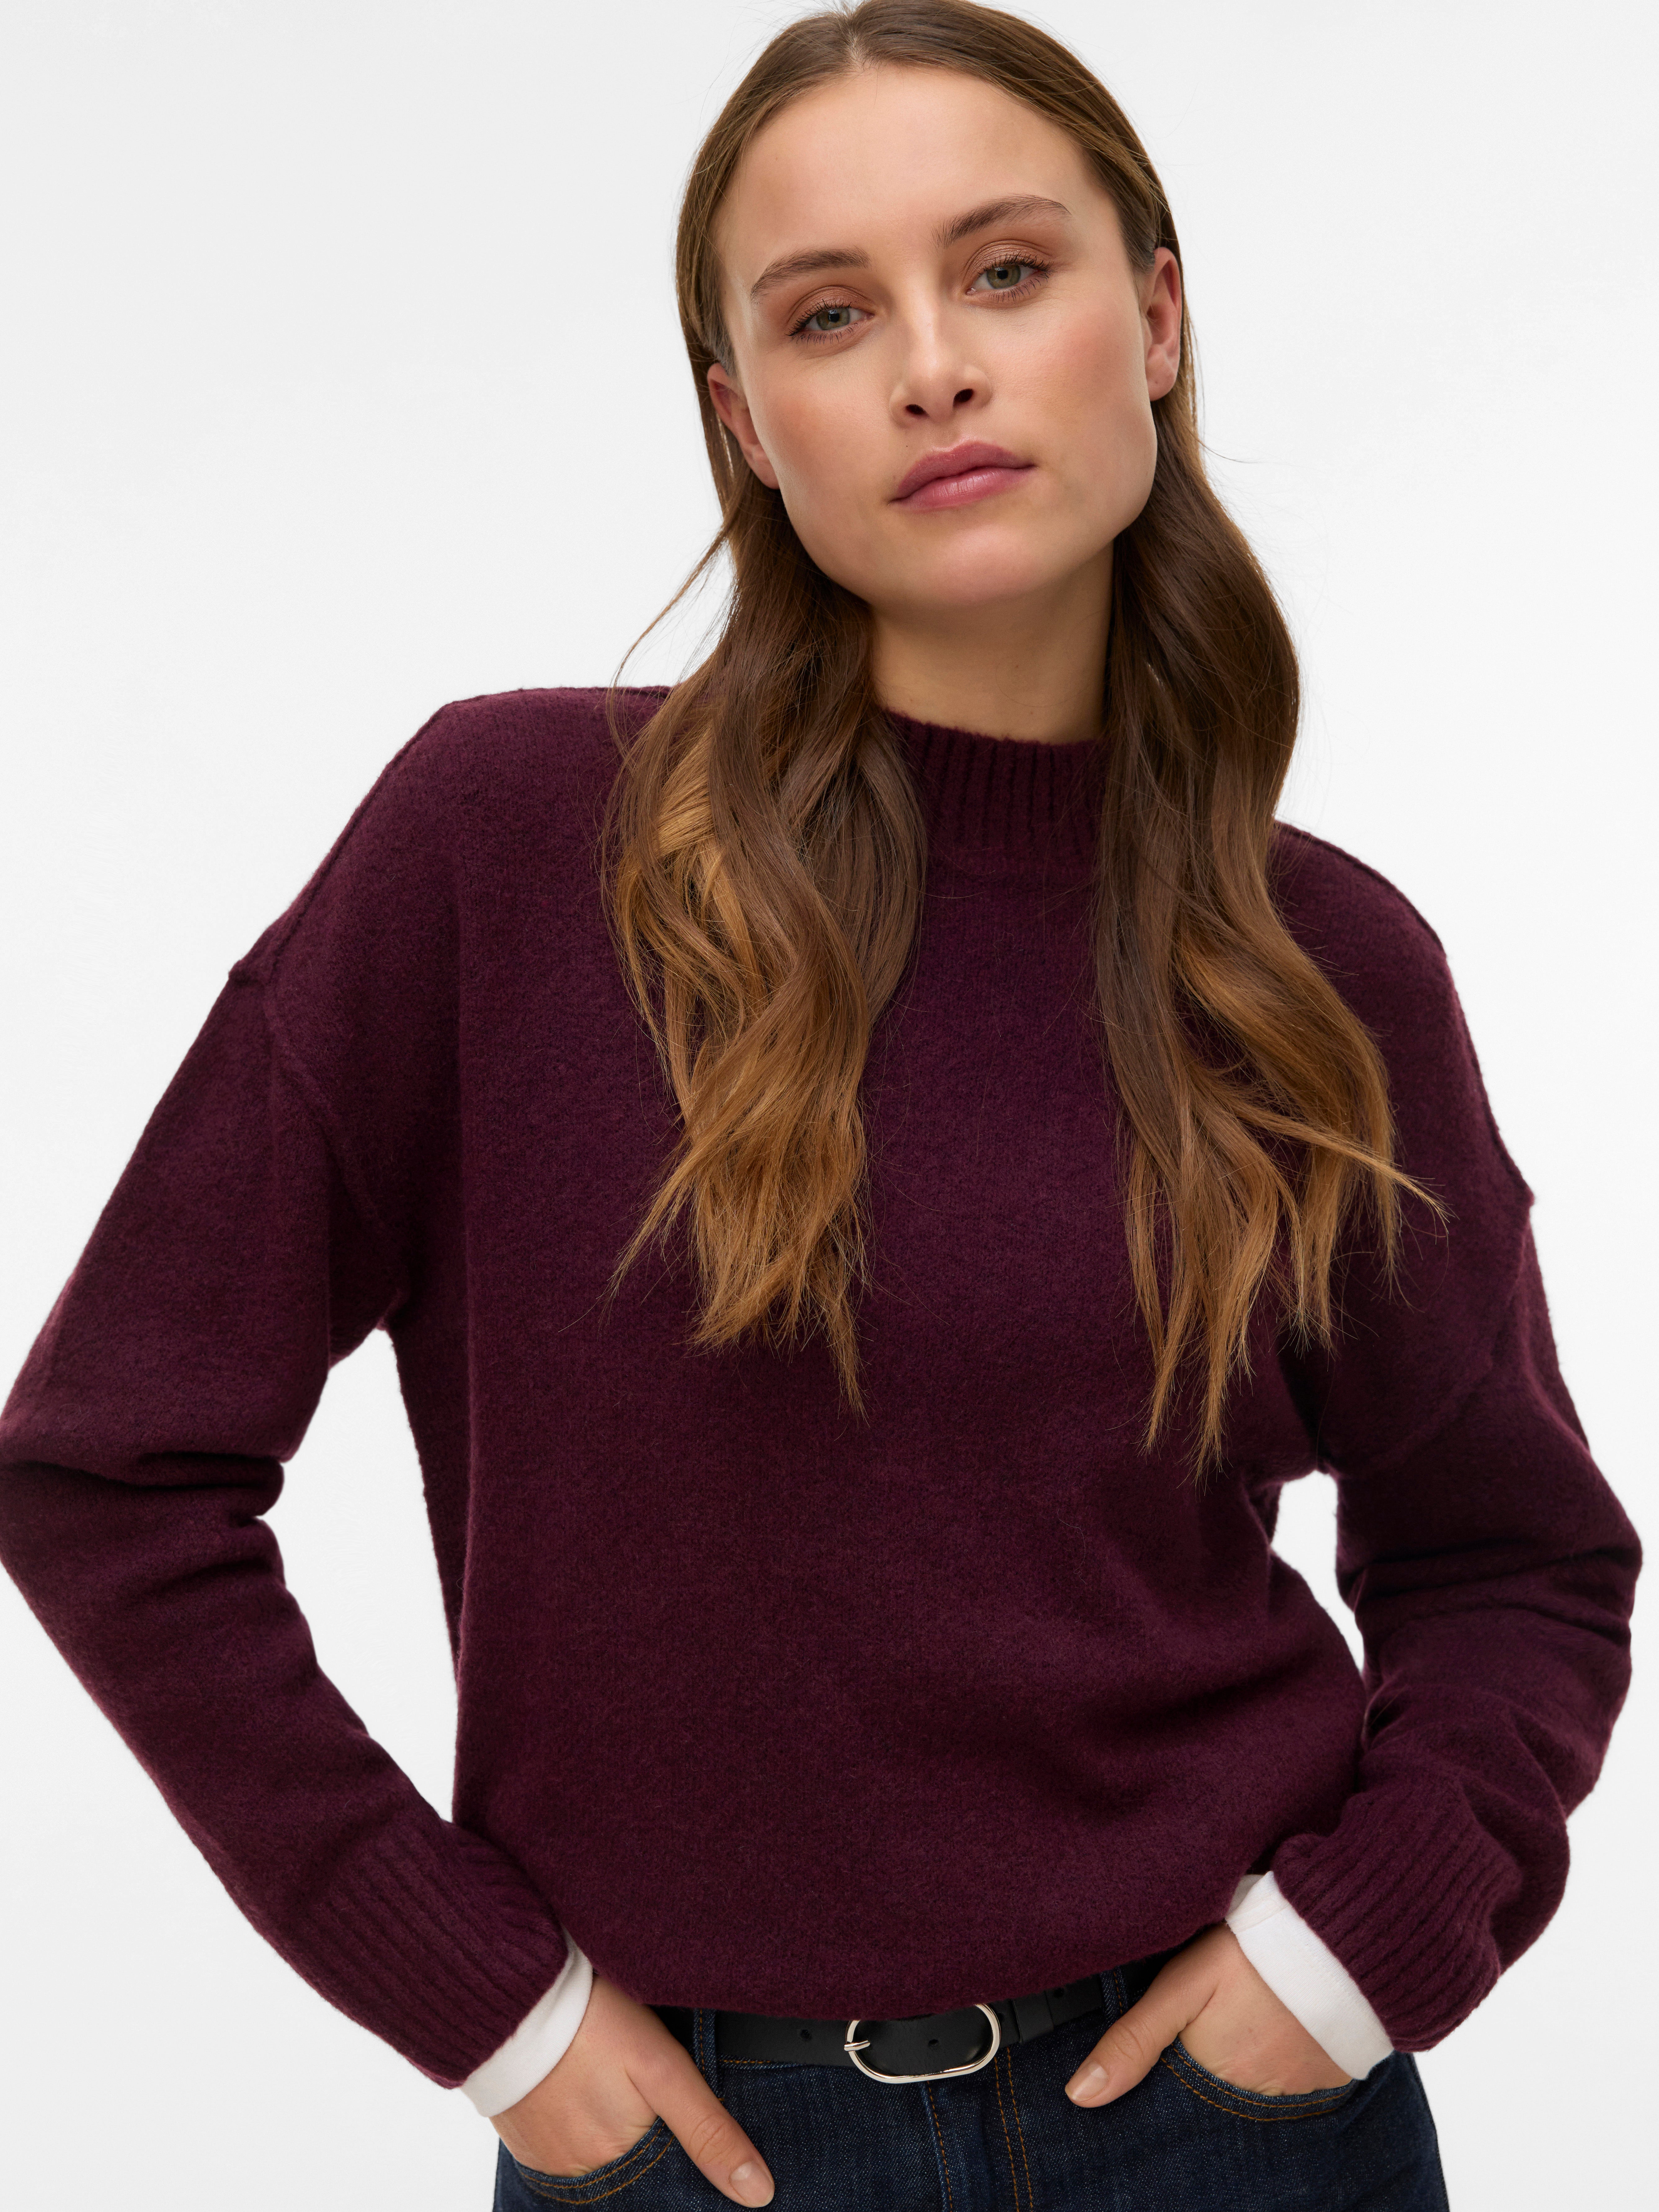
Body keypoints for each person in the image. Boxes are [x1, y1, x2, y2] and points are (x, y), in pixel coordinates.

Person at [0, 3, 1640, 2207]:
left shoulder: (1317, 962)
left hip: (1236, 2134)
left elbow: (1514, 1561)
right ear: (743, 421)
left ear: (1155, 321)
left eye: (1006, 272)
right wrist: (491, 2012)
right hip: (696, 2146)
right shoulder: (505, 848)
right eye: (829, 315)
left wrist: (1342, 1970)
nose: (933, 370)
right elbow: (107, 1469)